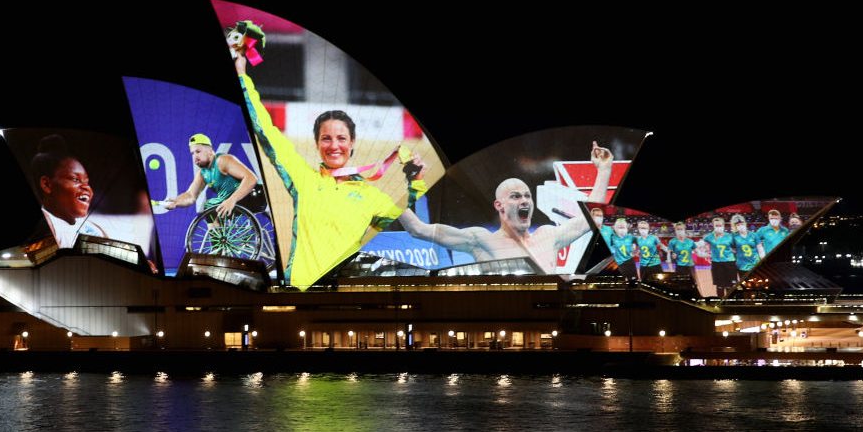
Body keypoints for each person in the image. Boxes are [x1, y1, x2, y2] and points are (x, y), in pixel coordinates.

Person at [235, 53, 429, 290]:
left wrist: (416, 182)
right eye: (326, 138)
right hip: (297, 294)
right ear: (316, 144)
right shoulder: (302, 178)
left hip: (344, 300)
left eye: (341, 138)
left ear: (353, 142)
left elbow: (412, 227)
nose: (334, 146)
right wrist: (242, 76)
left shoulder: (373, 197)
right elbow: (266, 131)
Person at [397, 142, 614, 274]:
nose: (525, 200)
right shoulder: (481, 241)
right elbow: (418, 229)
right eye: (516, 196)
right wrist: (385, 198)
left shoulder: (549, 237)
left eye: (527, 196)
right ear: (498, 205)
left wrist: (604, 171)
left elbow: (592, 216)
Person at [31, 134, 105, 248]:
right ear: (47, 185)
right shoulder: (43, 231)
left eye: (87, 182)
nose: (87, 188)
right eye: (75, 179)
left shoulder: (93, 229)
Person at [164, 133, 258, 218]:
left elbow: (251, 178)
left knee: (213, 205)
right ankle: (217, 237)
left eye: (198, 151)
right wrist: (176, 202)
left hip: (253, 195)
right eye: (192, 153)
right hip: (232, 201)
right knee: (209, 206)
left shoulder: (222, 161)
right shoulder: (202, 173)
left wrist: (232, 200)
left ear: (209, 150)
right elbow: (190, 195)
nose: (195, 156)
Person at [702, 216, 737, 297]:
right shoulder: (709, 237)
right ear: (713, 226)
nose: (718, 227)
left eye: (720, 225)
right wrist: (706, 252)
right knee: (720, 286)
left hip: (729, 263)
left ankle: (731, 303)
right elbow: (702, 246)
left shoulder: (730, 236)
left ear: (723, 226)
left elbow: (736, 248)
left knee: (730, 286)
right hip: (716, 264)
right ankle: (720, 303)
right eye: (716, 226)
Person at [730, 214, 761, 278]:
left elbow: (760, 249)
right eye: (738, 225)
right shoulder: (734, 236)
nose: (740, 226)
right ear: (735, 226)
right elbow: (731, 248)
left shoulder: (754, 235)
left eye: (742, 224)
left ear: (745, 223)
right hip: (742, 266)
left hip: (755, 263)